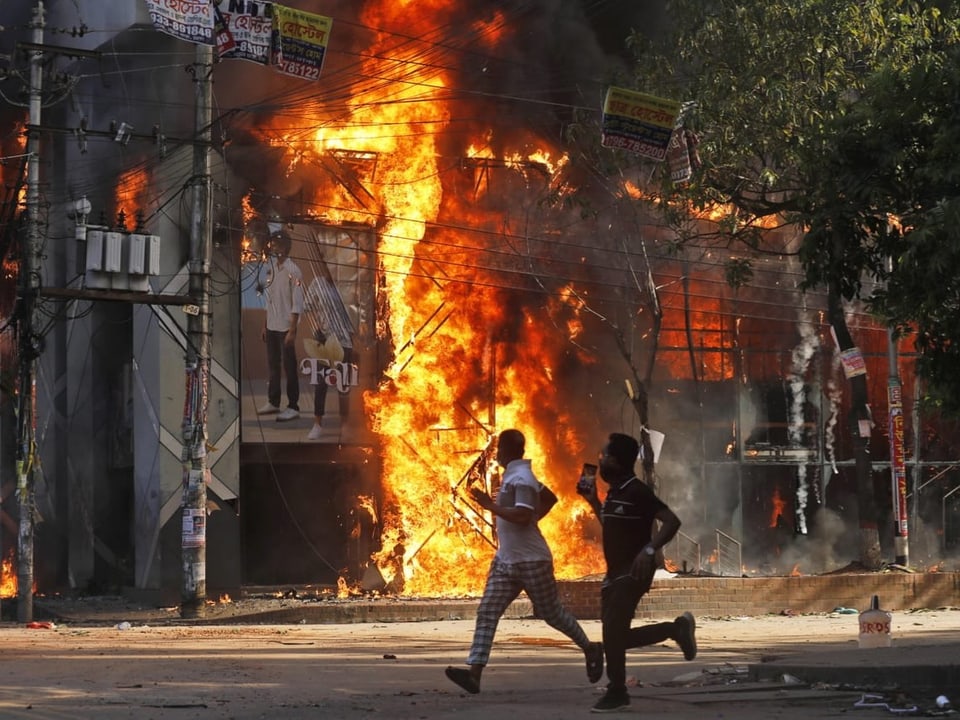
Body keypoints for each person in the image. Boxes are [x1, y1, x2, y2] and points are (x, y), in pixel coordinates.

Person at [445, 428, 604, 695]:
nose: (496, 454)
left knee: (553, 615)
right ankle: (474, 674)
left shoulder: (521, 479)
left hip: (532, 561)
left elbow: (520, 516)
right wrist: (533, 518)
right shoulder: (516, 474)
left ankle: (591, 648)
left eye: (498, 450)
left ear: (506, 451)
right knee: (487, 611)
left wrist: (489, 505)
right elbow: (549, 498)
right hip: (506, 560)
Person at [578, 432, 697, 713]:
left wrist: (649, 551)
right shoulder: (616, 492)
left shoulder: (637, 491)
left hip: (633, 572)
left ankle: (617, 691)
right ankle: (676, 629)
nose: (601, 460)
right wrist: (594, 501)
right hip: (614, 573)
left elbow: (671, 521)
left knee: (612, 633)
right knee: (615, 637)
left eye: (605, 456)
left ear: (618, 461)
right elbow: (612, 525)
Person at [257, 225, 304, 422]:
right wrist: (264, 324)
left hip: (286, 328)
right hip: (272, 326)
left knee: (289, 367)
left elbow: (297, 302)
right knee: (273, 366)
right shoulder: (272, 269)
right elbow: (270, 300)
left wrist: (293, 330)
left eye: (275, 243)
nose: (272, 246)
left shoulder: (293, 271)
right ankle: (273, 402)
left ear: (284, 247)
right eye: (271, 243)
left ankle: (293, 406)